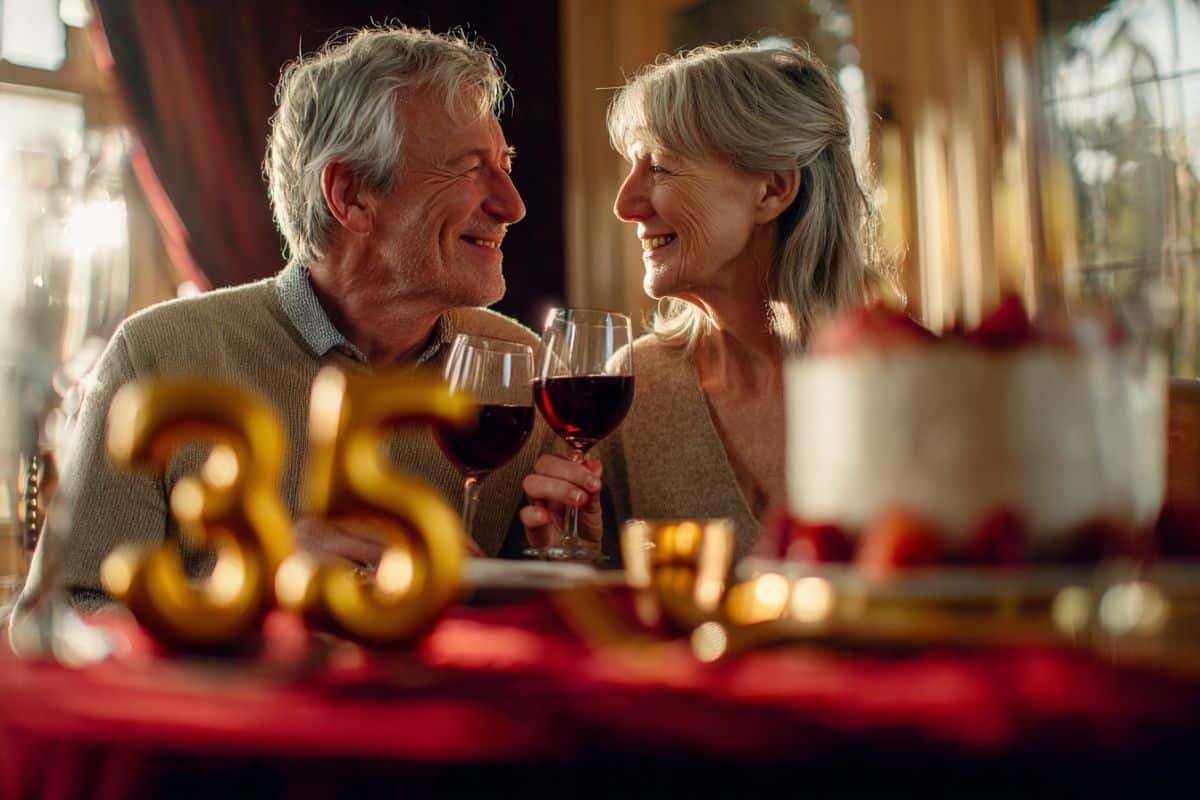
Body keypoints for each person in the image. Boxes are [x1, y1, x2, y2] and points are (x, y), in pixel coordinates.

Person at [16, 24, 540, 612]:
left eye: (504, 163)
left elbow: (541, 637)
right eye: (471, 169)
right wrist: (251, 588)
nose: (512, 204)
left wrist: (563, 557)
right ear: (351, 195)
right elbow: (58, 617)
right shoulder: (158, 355)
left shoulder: (519, 370)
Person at [520, 41, 890, 561]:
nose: (624, 204)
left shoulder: (904, 385)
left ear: (772, 191)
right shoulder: (635, 389)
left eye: (662, 167)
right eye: (632, 165)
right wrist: (584, 556)